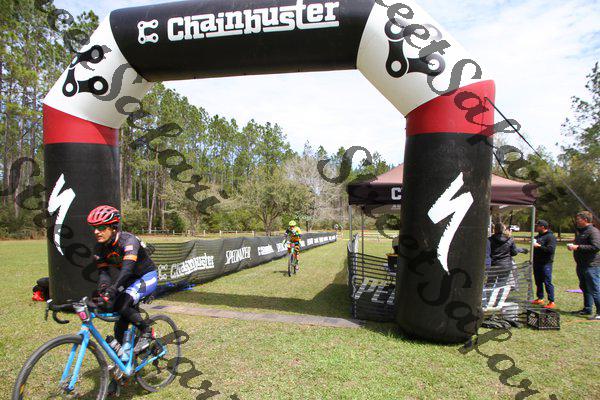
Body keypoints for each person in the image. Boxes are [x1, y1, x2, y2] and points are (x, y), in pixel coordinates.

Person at [87, 205, 158, 353]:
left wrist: (113, 289)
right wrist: (104, 288)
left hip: (146, 276)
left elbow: (127, 269)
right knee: (119, 316)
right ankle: (123, 357)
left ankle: (147, 331)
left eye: (101, 227)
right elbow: (103, 273)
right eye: (94, 227)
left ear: (113, 228)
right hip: (129, 279)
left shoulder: (128, 241)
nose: (96, 231)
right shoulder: (99, 247)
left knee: (122, 304)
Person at [567, 211, 600, 320]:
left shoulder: (593, 231)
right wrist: (574, 246)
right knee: (585, 287)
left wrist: (578, 247)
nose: (577, 221)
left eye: (578, 219)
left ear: (585, 220)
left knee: (594, 288)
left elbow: (596, 246)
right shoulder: (582, 231)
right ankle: (587, 309)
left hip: (591, 265)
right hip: (581, 265)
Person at [532, 220, 557, 308]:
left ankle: (551, 301)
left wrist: (539, 246)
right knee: (538, 281)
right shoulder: (537, 236)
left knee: (547, 282)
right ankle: (540, 298)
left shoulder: (550, 237)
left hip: (546, 263)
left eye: (537, 226)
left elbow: (550, 250)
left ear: (542, 227)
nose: (536, 227)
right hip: (537, 262)